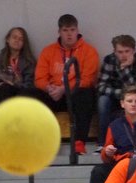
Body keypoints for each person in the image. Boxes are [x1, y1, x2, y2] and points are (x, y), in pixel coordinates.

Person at [34, 13, 99, 154]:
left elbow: (87, 79)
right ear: (59, 32)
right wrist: (49, 88)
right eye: (65, 30)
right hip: (53, 94)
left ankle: (79, 143)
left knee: (86, 94)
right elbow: (39, 78)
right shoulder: (48, 51)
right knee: (30, 94)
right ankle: (41, 142)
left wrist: (64, 89)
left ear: (77, 31)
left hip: (75, 94)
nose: (69, 34)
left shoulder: (89, 51)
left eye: (72, 30)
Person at [95, 34, 136, 145]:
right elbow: (101, 86)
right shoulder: (109, 60)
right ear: (114, 52)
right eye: (120, 52)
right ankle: (103, 143)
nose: (124, 55)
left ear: (133, 51)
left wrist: (124, 69)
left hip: (135, 97)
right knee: (102, 100)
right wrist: (121, 94)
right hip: (114, 96)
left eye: (127, 51)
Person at [0, 27, 38, 124]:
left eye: (21, 39)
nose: (17, 40)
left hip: (18, 92)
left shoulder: (29, 62)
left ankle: (4, 125)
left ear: (24, 43)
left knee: (6, 88)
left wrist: (13, 84)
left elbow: (30, 85)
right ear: (7, 39)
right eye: (14, 37)